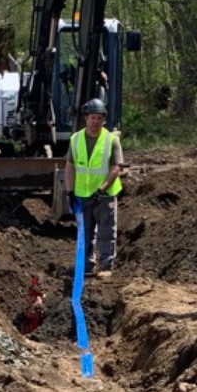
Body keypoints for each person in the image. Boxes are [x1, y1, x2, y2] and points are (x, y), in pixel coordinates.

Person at [65, 98, 123, 279]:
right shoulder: (75, 140)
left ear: (103, 120)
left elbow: (117, 167)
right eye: (92, 118)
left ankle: (105, 266)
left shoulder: (111, 140)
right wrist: (69, 191)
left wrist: (103, 189)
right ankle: (86, 266)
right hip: (83, 195)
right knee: (85, 232)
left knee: (106, 231)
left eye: (99, 118)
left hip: (104, 196)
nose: (95, 121)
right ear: (86, 119)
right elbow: (69, 166)